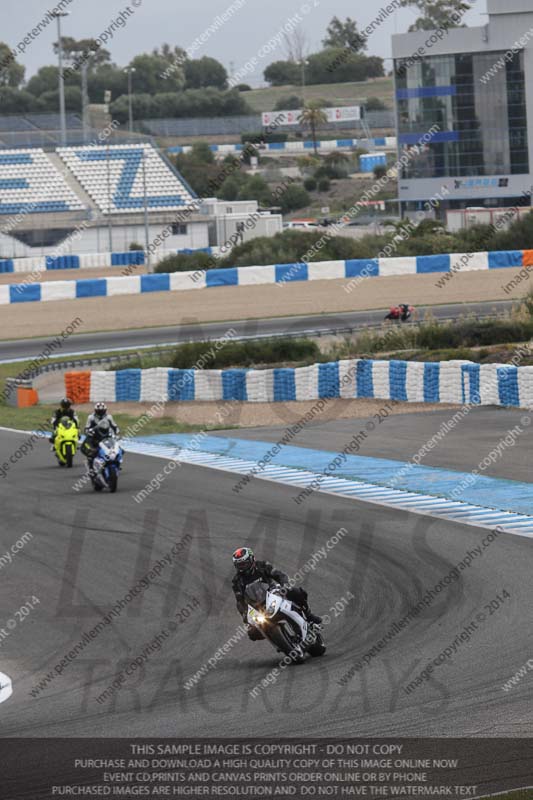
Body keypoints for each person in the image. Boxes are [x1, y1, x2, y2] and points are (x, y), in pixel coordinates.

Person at [231, 547, 321, 641]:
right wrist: (245, 615)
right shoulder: (237, 581)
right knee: (252, 633)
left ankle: (309, 615)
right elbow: (239, 601)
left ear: (251, 559)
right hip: (258, 608)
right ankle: (281, 642)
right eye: (239, 565)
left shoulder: (262, 565)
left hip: (273, 594)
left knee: (294, 592)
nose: (242, 567)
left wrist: (285, 584)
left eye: (244, 564)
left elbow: (279, 574)